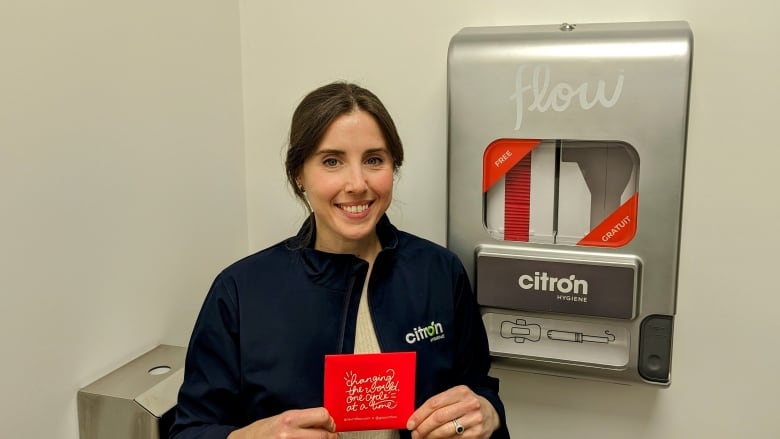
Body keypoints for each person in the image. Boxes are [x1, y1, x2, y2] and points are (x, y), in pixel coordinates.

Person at [170, 81, 510, 439]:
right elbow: (188, 430)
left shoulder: (439, 272)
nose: (357, 183)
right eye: (332, 161)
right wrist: (251, 437)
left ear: (393, 167)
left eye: (374, 160)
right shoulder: (240, 291)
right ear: (299, 174)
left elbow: (479, 390)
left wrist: (488, 412)